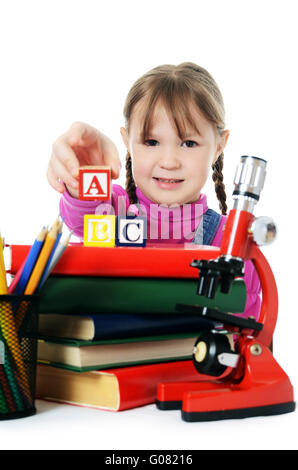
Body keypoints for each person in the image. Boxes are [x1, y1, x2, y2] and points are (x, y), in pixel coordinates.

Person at [47, 62, 260, 319]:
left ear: (219, 146)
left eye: (189, 143)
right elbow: (82, 214)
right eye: (151, 142)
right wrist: (81, 177)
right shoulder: (113, 211)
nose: (169, 161)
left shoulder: (230, 239)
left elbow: (244, 326)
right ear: (127, 141)